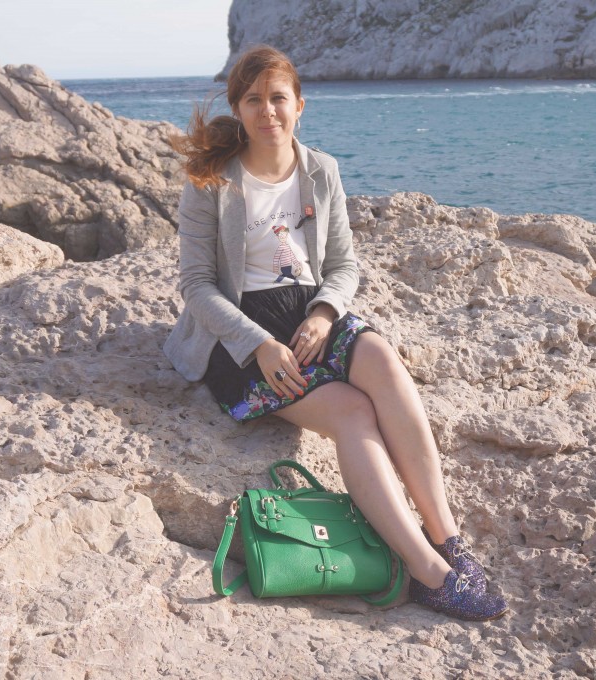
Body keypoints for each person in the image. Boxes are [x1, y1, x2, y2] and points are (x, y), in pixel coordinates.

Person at [165, 45, 508, 622]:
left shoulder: (321, 170)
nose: (267, 111)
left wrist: (325, 312)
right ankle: (427, 573)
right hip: (243, 337)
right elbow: (197, 286)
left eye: (278, 98)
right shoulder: (211, 183)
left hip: (312, 316)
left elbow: (345, 265)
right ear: (238, 108)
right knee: (352, 411)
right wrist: (259, 344)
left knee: (385, 363)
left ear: (299, 106)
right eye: (253, 100)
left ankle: (446, 538)